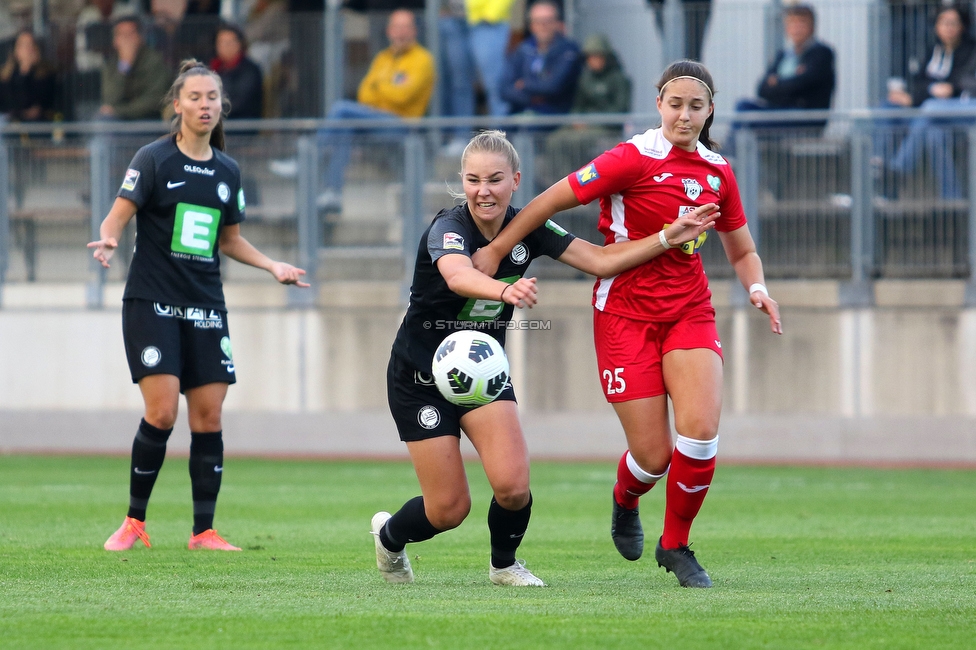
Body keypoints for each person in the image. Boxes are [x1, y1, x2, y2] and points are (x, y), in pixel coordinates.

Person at [472, 60, 782, 588]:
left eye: (696, 106)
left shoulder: (717, 171)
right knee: (653, 455)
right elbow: (548, 200)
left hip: (689, 310)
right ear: (659, 104)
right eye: (675, 104)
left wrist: (757, 286)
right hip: (624, 315)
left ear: (710, 112)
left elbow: (742, 247)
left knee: (701, 431)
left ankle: (676, 545)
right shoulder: (630, 159)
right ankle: (625, 499)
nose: (684, 115)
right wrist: (498, 248)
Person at [373, 129, 719, 586]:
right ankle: (390, 538)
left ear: (515, 180)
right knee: (449, 510)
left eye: (495, 179)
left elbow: (599, 260)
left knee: (514, 488)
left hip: (483, 374)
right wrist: (504, 289)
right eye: (474, 180)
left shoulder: (529, 228)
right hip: (419, 378)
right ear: (462, 181)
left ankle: (503, 567)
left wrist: (667, 237)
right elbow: (458, 276)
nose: (484, 190)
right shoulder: (449, 227)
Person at [89, 59, 309, 552]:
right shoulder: (152, 159)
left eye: (212, 98)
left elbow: (229, 240)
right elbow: (116, 217)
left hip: (206, 303)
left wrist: (272, 265)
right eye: (195, 97)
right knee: (163, 413)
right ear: (177, 104)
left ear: (221, 105)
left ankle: (203, 532)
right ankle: (134, 522)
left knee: (208, 418)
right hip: (152, 301)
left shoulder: (228, 170)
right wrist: (106, 241)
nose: (204, 105)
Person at [302, 9, 434, 211]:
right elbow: (364, 94)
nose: (401, 32)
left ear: (414, 31)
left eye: (405, 27)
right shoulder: (383, 57)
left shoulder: (423, 59)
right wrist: (387, 88)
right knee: (344, 128)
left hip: (403, 126)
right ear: (389, 31)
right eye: (396, 27)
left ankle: (310, 157)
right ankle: (332, 192)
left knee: (341, 109)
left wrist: (379, 86)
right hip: (374, 121)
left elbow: (402, 97)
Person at [882, 5, 976, 199]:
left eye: (953, 23)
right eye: (944, 23)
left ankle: (899, 168)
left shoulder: (970, 49)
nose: (949, 28)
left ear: (962, 26)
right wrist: (922, 93)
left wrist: (947, 89)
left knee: (929, 107)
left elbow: (959, 83)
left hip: (966, 109)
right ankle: (952, 197)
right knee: (932, 133)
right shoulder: (933, 50)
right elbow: (920, 83)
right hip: (941, 115)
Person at [729, 3, 834, 147]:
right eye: (792, 23)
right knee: (744, 106)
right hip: (779, 113)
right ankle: (729, 159)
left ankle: (727, 162)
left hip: (805, 119)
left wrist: (778, 83)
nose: (796, 29)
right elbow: (762, 89)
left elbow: (804, 84)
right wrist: (791, 82)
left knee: (748, 122)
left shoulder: (821, 53)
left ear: (812, 27)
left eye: (801, 23)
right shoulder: (783, 55)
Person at [542, 33, 631, 185]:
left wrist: (590, 121)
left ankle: (578, 183)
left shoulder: (619, 79)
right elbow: (578, 105)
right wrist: (577, 119)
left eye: (597, 56)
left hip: (607, 127)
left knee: (574, 142)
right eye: (590, 57)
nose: (594, 61)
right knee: (553, 140)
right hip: (583, 125)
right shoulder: (585, 78)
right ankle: (561, 181)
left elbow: (620, 109)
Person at [499, 0, 581, 118]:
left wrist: (524, 84)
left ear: (557, 23)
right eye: (538, 21)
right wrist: (532, 99)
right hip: (520, 112)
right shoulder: (523, 49)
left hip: (554, 116)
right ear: (531, 25)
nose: (543, 26)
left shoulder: (568, 50)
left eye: (548, 21)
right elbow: (504, 89)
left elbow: (553, 86)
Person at [99, 15, 171, 120]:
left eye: (131, 34)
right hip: (118, 119)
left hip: (147, 120)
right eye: (122, 35)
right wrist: (125, 65)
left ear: (140, 38)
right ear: (115, 41)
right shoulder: (111, 63)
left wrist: (120, 110)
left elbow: (154, 101)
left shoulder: (154, 60)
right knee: (101, 121)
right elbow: (110, 99)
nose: (126, 39)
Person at [467, 0, 517, 117]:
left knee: (494, 84)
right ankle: (460, 134)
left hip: (488, 23)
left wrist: (491, 15)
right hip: (463, 20)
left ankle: (500, 131)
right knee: (461, 85)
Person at [0, 30, 57, 123]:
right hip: (9, 123)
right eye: (24, 45)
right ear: (16, 50)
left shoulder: (46, 74)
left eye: (31, 44)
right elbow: (8, 102)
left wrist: (27, 71)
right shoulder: (5, 75)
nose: (28, 49)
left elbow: (35, 103)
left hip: (37, 124)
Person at [210, 23, 263, 119]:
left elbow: (240, 102)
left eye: (229, 43)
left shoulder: (250, 70)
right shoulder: (214, 69)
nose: (225, 47)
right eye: (221, 43)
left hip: (241, 125)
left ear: (239, 44)